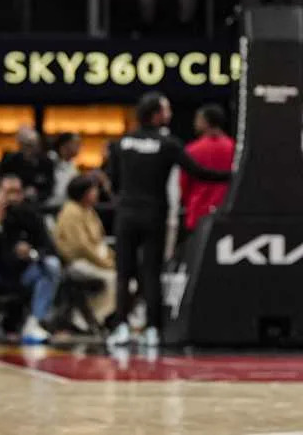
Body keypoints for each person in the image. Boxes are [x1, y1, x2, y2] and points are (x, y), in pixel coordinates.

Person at [105, 92, 231, 347]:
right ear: (155, 115)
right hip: (154, 215)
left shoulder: (122, 143)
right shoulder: (168, 144)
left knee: (124, 272)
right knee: (152, 271)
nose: (170, 114)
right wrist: (233, 175)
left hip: (126, 214)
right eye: (166, 109)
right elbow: (198, 172)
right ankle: (152, 329)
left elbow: (113, 180)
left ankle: (121, 327)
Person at [0, 175, 62, 344]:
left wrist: (31, 253)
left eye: (17, 192)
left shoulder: (30, 214)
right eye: (8, 192)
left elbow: (49, 248)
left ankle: (35, 322)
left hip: (24, 273)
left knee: (52, 265)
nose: (13, 197)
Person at [53, 175, 116, 324]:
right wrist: (105, 263)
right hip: (77, 262)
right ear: (84, 193)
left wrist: (112, 259)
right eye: (93, 190)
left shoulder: (89, 211)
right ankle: (94, 318)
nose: (97, 193)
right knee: (113, 278)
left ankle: (107, 316)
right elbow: (81, 247)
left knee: (126, 278)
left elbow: (99, 241)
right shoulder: (71, 212)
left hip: (95, 259)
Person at [179, 104, 234, 232]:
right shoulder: (234, 148)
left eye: (197, 119)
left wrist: (187, 203)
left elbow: (184, 183)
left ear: (205, 121)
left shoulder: (192, 150)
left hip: (197, 212)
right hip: (226, 211)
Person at [0, 127, 55, 203]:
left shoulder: (46, 162)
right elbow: (3, 181)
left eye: (34, 144)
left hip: (40, 203)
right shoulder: (10, 160)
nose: (32, 148)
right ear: (20, 145)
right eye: (27, 144)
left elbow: (50, 187)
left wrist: (37, 193)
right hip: (13, 202)